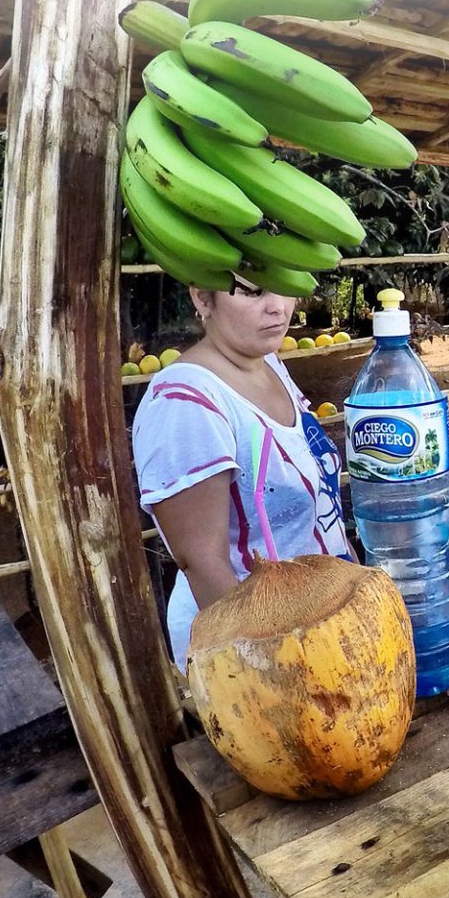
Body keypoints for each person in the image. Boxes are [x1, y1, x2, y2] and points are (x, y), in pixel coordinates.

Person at [132, 277, 350, 671]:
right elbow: (201, 561)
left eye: (284, 284)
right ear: (202, 296)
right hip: (253, 653)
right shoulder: (185, 402)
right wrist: (270, 669)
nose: (278, 307)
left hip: (315, 630)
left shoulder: (267, 363)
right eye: (253, 291)